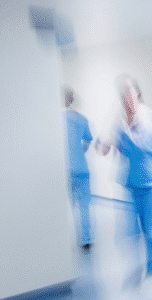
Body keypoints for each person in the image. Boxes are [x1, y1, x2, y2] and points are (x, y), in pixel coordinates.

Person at [96, 75, 152, 296]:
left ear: (138, 94)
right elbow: (103, 149)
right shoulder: (118, 124)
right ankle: (142, 266)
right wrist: (108, 138)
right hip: (131, 185)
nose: (127, 100)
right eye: (123, 96)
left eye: (130, 94)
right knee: (129, 233)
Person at [64, 86, 94, 252]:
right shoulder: (82, 119)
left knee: (67, 206)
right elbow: (88, 142)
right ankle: (86, 240)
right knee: (84, 207)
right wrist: (78, 151)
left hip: (66, 170)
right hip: (82, 168)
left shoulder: (56, 119)